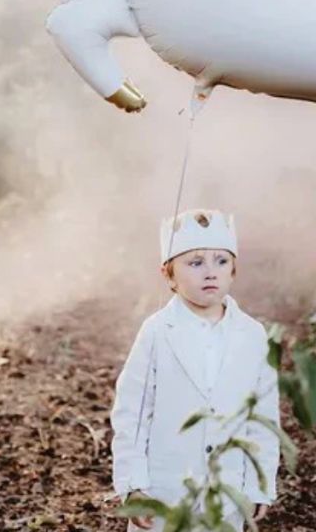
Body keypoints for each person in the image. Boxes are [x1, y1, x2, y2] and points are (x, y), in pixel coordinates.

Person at [111, 209, 280, 531]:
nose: (210, 272)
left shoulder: (253, 334)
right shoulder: (158, 331)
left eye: (221, 261)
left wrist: (259, 483)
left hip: (226, 491)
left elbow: (263, 417)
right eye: (195, 262)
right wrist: (133, 483)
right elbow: (133, 411)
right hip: (165, 488)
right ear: (169, 275)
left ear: (234, 270)